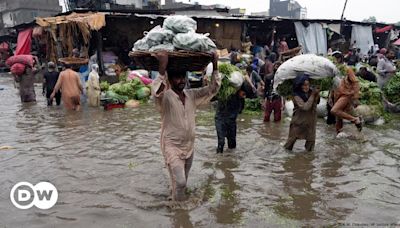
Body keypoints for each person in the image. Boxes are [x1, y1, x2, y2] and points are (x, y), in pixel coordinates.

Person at [151, 51, 221, 201]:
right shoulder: (166, 97)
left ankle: (177, 204)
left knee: (184, 181)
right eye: (177, 77)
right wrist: (162, 68)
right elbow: (156, 92)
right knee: (181, 181)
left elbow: (213, 89)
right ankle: (179, 210)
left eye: (183, 77)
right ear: (170, 79)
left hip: (189, 145)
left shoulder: (191, 95)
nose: (181, 80)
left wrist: (215, 65)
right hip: (172, 146)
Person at [284, 74, 320, 151]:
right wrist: (313, 95)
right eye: (303, 85)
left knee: (310, 144)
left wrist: (317, 94)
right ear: (299, 85)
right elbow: (305, 107)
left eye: (307, 85)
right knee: (290, 143)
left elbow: (316, 103)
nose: (306, 87)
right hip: (299, 122)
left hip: (310, 122)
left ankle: (307, 161)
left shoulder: (311, 92)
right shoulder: (296, 95)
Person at [330, 68, 362, 134]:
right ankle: (339, 133)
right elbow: (335, 90)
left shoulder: (354, 82)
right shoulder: (342, 79)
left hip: (346, 97)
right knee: (339, 117)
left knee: (334, 111)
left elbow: (356, 92)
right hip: (338, 97)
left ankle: (355, 120)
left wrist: (354, 98)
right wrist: (331, 97)